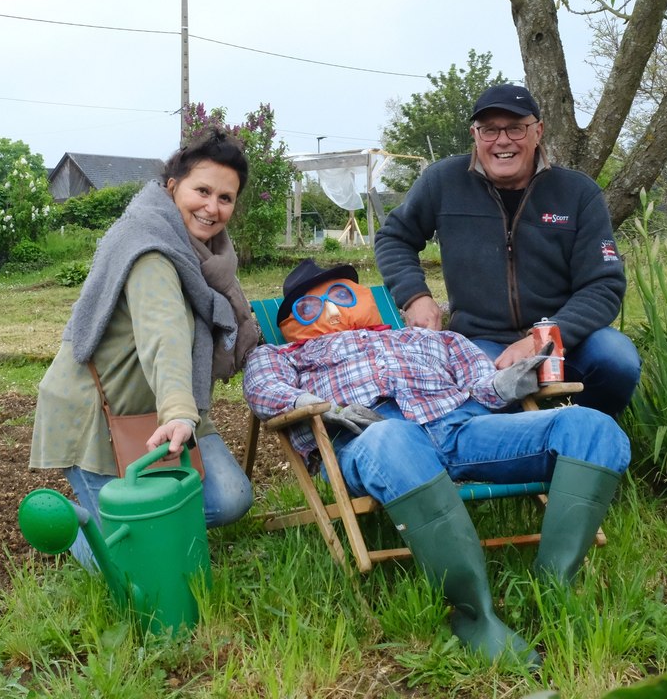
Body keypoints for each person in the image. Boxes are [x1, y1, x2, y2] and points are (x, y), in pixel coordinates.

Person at [243, 259, 631, 666]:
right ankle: (473, 614)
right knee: (394, 437)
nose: (333, 309)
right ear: (289, 321)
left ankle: (553, 588)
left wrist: (505, 383)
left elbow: (481, 382)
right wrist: (316, 406)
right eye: (310, 306)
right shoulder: (281, 354)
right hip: (371, 437)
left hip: (460, 428)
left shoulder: (430, 339)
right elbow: (262, 389)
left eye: (341, 295)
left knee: (591, 427)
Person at [30, 128, 257, 568]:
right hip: (95, 413)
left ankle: (147, 519)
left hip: (155, 408)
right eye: (202, 190)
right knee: (121, 560)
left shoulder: (208, 257)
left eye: (225, 198)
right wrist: (178, 410)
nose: (212, 208)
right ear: (173, 186)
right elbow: (164, 333)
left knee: (229, 497)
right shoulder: (151, 249)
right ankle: (79, 535)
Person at [375, 83, 641, 417]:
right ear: (475, 134)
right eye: (489, 130)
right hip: (481, 339)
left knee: (618, 360)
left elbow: (604, 285)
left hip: (567, 338)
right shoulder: (442, 181)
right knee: (479, 394)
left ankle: (589, 431)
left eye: (515, 128)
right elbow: (393, 237)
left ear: (537, 131)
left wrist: (540, 339)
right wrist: (415, 296)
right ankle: (518, 447)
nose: (502, 141)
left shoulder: (578, 193)